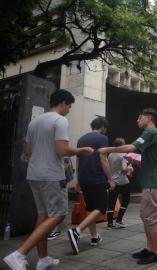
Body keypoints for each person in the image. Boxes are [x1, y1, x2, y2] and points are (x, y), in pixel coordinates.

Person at [3, 89, 94, 270]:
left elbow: (28, 152)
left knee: (43, 215)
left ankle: (43, 258)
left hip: (34, 174)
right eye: (69, 106)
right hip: (51, 175)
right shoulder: (60, 120)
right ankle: (19, 254)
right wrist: (82, 150)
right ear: (62, 103)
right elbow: (62, 150)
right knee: (58, 214)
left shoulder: (34, 122)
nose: (69, 110)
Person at [98, 108, 157, 265]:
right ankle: (149, 248)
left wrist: (108, 149)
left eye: (140, 117)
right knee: (145, 215)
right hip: (152, 180)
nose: (137, 120)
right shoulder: (153, 134)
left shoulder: (151, 132)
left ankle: (156, 252)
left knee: (150, 217)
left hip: (154, 181)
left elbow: (131, 147)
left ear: (149, 118)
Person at [67, 117, 115, 255]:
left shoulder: (82, 139)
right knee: (101, 207)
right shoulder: (102, 138)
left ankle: (94, 237)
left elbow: (78, 159)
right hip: (97, 178)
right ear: (104, 128)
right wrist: (110, 179)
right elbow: (103, 159)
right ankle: (77, 231)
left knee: (90, 208)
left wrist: (78, 180)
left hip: (84, 178)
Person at [106, 137, 133, 229]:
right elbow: (124, 168)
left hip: (112, 181)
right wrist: (130, 167)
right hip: (123, 182)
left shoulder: (110, 155)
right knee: (125, 200)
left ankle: (109, 223)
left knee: (111, 202)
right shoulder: (124, 155)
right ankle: (119, 220)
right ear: (121, 145)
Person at [47, 157, 75, 241]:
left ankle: (53, 230)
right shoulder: (59, 150)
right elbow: (66, 165)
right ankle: (53, 230)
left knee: (55, 205)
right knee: (56, 206)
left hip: (57, 181)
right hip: (57, 181)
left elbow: (66, 165)